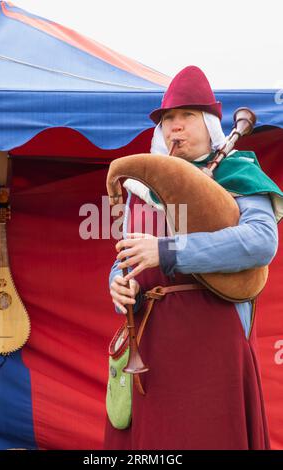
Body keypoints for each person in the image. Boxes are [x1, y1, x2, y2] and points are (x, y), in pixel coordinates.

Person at [104, 65, 283, 450]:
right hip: (150, 346)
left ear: (209, 124)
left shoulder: (236, 173)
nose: (176, 127)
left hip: (212, 343)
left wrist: (168, 252)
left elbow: (260, 241)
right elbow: (126, 255)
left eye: (187, 116)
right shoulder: (142, 187)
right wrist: (118, 283)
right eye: (169, 119)